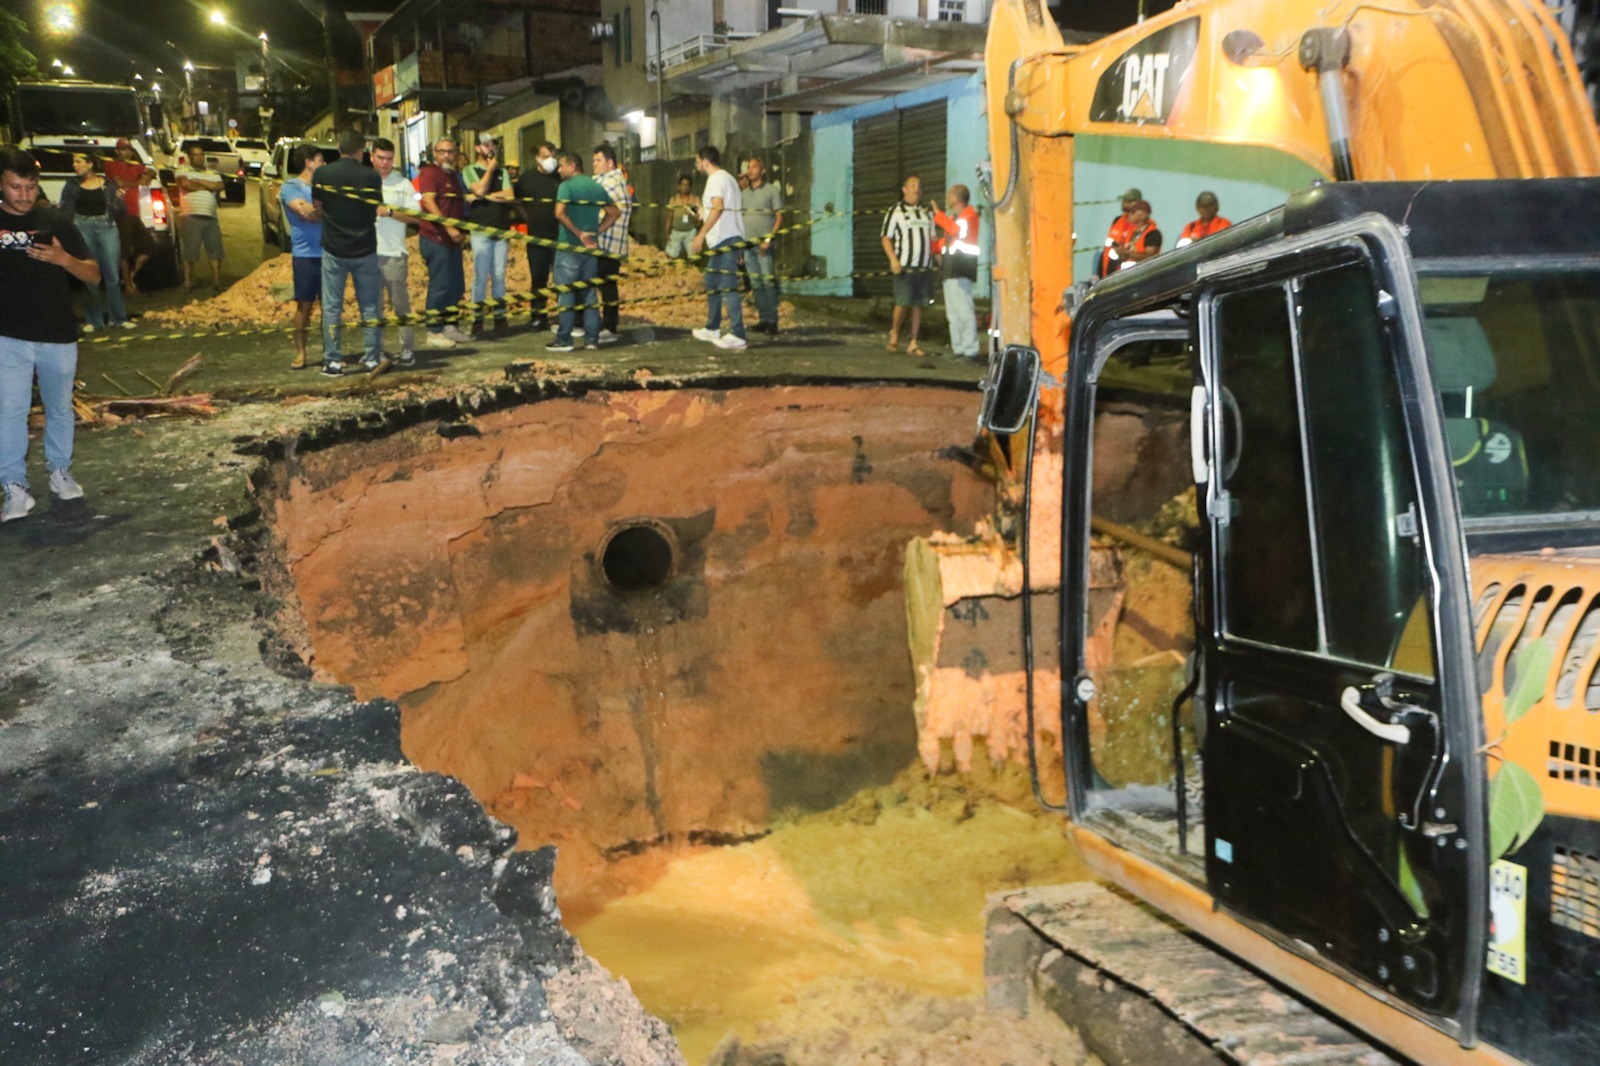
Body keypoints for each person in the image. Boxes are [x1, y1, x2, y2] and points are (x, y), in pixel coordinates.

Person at [0, 147, 101, 523]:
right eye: (15, 187)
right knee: (10, 411)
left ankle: (60, 471)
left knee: (59, 408)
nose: (23, 195)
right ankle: (14, 488)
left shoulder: (56, 221)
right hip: (8, 336)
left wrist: (63, 260)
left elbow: (93, 275)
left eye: (30, 187)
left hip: (58, 334)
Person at [311, 128, 385, 376]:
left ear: (339, 148)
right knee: (370, 307)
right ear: (360, 150)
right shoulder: (371, 177)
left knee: (332, 308)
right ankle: (372, 357)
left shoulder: (322, 173)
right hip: (365, 248)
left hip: (334, 248)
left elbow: (318, 207)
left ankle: (332, 361)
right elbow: (376, 207)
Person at [547, 152, 619, 353]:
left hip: (569, 247)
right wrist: (594, 233)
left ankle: (564, 340)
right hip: (590, 250)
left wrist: (579, 234)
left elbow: (559, 213)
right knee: (589, 294)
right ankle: (591, 340)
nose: (559, 170)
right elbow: (615, 213)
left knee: (566, 294)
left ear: (572, 165)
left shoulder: (566, 186)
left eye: (561, 166)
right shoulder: (595, 187)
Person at [60, 152, 130, 332]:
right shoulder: (72, 185)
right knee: (90, 275)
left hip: (106, 226)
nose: (75, 165)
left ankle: (119, 318)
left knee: (112, 276)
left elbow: (120, 210)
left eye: (79, 162)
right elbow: (65, 210)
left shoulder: (107, 184)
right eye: (74, 162)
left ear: (90, 164)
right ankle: (94, 320)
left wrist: (120, 198)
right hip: (83, 227)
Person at [689, 146, 747, 351]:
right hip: (728, 238)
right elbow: (720, 209)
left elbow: (719, 207)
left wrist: (701, 233)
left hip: (724, 239)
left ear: (705, 161)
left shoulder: (714, 179)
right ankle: (712, 327)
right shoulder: (729, 178)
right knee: (712, 280)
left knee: (726, 284)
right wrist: (703, 213)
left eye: (697, 161)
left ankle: (738, 333)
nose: (696, 165)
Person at [461, 132, 516, 338]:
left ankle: (500, 317)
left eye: (492, 144)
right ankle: (478, 319)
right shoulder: (469, 170)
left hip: (501, 230)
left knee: (500, 276)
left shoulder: (503, 171)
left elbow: (510, 197)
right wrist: (490, 172)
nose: (490, 148)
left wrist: (485, 196)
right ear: (477, 148)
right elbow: (480, 189)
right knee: (481, 277)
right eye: (485, 145)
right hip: (480, 231)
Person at [416, 137, 469, 348]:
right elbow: (428, 201)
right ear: (435, 153)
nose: (447, 155)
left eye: (450, 151)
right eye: (442, 151)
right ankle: (433, 330)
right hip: (436, 238)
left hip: (453, 241)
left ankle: (450, 326)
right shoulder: (430, 173)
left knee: (456, 286)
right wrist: (448, 227)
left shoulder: (455, 177)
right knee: (440, 286)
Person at [371, 138, 417, 368]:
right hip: (368, 254)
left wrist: (390, 212)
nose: (385, 163)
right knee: (373, 306)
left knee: (400, 304)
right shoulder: (364, 182)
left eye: (389, 159)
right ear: (371, 157)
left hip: (394, 254)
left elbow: (416, 216)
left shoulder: (404, 184)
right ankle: (375, 351)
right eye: (381, 158)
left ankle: (407, 349)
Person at [280, 144, 325, 370]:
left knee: (330, 307)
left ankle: (331, 352)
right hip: (305, 255)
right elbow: (305, 213)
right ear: (308, 162)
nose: (323, 164)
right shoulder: (290, 187)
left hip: (329, 253)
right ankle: (301, 352)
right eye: (320, 160)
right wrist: (329, 213)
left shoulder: (324, 186)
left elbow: (312, 212)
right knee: (304, 306)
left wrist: (317, 212)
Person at [880, 173, 934, 356]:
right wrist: (893, 259)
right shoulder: (895, 211)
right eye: (912, 185)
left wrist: (939, 262)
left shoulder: (927, 212)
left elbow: (933, 239)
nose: (916, 188)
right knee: (902, 302)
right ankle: (894, 333)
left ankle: (913, 341)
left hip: (923, 266)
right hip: (904, 265)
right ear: (904, 189)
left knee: (918, 304)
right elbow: (886, 238)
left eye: (918, 185)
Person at [513, 141, 561, 331]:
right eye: (546, 156)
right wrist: (527, 217)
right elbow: (515, 199)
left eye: (553, 156)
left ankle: (562, 315)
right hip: (536, 237)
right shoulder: (527, 178)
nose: (550, 160)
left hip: (559, 237)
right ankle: (538, 316)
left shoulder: (560, 177)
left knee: (561, 278)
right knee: (538, 278)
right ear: (537, 159)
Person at [931, 183, 981, 361]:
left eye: (950, 193)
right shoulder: (956, 217)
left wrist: (938, 215)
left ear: (957, 198)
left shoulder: (969, 215)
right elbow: (946, 242)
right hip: (951, 269)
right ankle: (958, 348)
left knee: (964, 309)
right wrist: (930, 244)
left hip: (961, 268)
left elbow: (956, 231)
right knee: (953, 312)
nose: (947, 196)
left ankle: (970, 349)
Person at [101, 138, 156, 295]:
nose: (127, 152)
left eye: (129, 150)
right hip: (121, 213)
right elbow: (121, 183)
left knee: (150, 247)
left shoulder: (135, 166)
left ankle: (129, 278)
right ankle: (129, 286)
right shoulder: (110, 165)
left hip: (134, 214)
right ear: (117, 151)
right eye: (124, 149)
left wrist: (148, 176)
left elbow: (152, 171)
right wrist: (140, 182)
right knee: (124, 251)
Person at [591, 143, 633, 345]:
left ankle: (609, 326)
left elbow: (601, 213)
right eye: (593, 160)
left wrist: (589, 230)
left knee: (607, 286)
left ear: (610, 163)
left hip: (608, 244)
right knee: (603, 285)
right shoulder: (602, 180)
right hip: (603, 243)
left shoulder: (614, 183)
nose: (594, 164)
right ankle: (602, 324)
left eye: (598, 160)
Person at [741, 156, 783, 336]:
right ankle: (763, 319)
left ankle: (773, 321)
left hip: (764, 247)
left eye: (754, 167)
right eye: (748, 167)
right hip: (747, 246)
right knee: (756, 285)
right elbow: (740, 220)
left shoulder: (771, 191)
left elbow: (779, 216)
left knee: (767, 282)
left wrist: (768, 239)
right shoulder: (743, 195)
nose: (750, 170)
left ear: (763, 170)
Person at [174, 143, 225, 292]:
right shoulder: (183, 170)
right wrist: (209, 186)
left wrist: (198, 182)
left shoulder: (213, 173)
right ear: (190, 157)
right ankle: (187, 282)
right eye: (195, 154)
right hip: (191, 215)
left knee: (215, 250)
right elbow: (185, 184)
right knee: (190, 252)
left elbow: (219, 186)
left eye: (201, 154)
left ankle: (216, 281)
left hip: (211, 216)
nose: (199, 157)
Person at [1098, 187, 1142, 277]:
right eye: (1124, 201)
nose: (1124, 204)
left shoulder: (1140, 226)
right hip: (1106, 274)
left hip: (1125, 277)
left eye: (1128, 201)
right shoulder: (1117, 221)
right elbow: (1107, 248)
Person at [1112, 199, 1161, 269]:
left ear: (1143, 215)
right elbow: (1126, 257)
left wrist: (1127, 253)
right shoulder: (1132, 232)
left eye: (1133, 212)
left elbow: (1149, 257)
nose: (1128, 214)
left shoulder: (1153, 233)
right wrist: (1120, 252)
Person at [663, 174, 700, 260]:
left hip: (691, 232)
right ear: (678, 186)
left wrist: (698, 230)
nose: (685, 187)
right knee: (671, 256)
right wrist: (667, 232)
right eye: (683, 184)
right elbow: (669, 216)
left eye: (687, 185)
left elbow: (700, 217)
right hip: (676, 232)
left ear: (690, 187)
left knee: (694, 257)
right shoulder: (674, 200)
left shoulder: (695, 199)